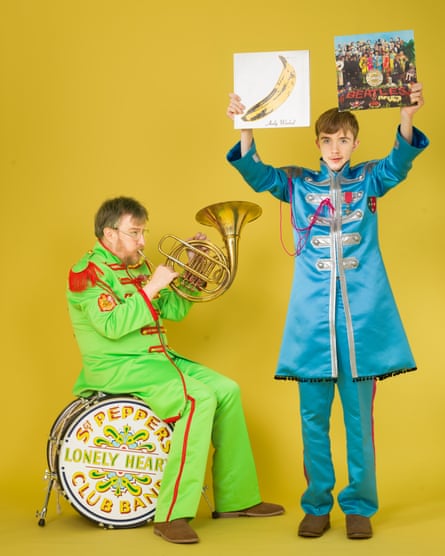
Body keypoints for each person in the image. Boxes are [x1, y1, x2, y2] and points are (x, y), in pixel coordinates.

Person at [226, 83, 428, 540]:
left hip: (361, 327)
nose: (335, 148)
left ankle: (359, 506)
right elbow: (258, 176)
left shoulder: (370, 178)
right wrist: (245, 129)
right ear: (316, 144)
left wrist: (406, 117)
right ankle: (317, 503)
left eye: (343, 140)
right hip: (312, 327)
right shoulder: (298, 183)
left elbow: (400, 162)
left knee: (359, 422)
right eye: (327, 140)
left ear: (355, 144)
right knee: (312, 420)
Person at [66, 196, 284, 544]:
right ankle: (171, 515)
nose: (142, 241)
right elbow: (110, 325)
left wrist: (190, 276)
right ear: (109, 234)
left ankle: (236, 498)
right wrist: (152, 286)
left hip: (158, 360)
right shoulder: (87, 273)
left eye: (143, 232)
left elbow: (175, 312)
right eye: (134, 232)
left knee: (227, 389)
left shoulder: (138, 266)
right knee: (197, 399)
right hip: (118, 368)